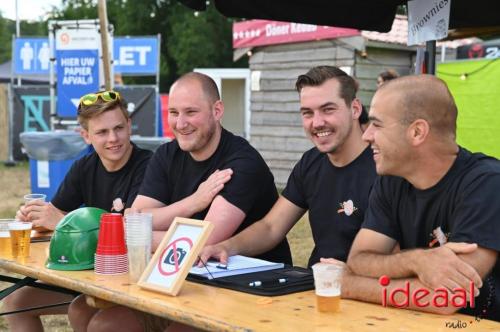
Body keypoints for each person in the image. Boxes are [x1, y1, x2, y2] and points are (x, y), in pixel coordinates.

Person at [68, 72, 292, 332]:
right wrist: (194, 202)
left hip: (248, 294)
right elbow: (135, 218)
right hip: (184, 281)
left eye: (191, 112)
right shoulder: (166, 154)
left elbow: (202, 244)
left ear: (217, 110)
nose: (180, 123)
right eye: (174, 112)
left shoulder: (242, 163)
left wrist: (139, 233)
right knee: (95, 319)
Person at [342, 75, 500, 320]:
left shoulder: (488, 183)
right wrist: (418, 261)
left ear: (417, 132)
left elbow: (447, 298)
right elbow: (359, 260)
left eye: (377, 124)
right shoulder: (392, 179)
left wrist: (349, 286)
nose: (366, 135)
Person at [200, 66, 376, 271]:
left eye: (328, 109)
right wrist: (225, 248)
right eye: (307, 113)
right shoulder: (311, 162)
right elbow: (271, 228)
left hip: (367, 292)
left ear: (355, 109)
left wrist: (355, 275)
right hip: (317, 287)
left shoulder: (383, 167)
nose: (317, 122)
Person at [3, 91, 153, 332]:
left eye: (118, 128)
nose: (113, 138)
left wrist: (60, 222)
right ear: (86, 136)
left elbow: (132, 235)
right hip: (85, 275)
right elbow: (56, 214)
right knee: (14, 302)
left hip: (126, 280)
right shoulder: (84, 166)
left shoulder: (149, 166)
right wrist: (34, 218)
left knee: (87, 315)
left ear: (129, 126)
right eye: (102, 132)